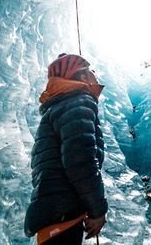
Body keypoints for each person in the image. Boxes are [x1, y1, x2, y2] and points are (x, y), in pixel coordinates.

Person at [24, 53, 108, 244]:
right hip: (64, 217)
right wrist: (98, 210)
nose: (96, 76)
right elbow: (80, 161)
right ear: (83, 76)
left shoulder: (58, 107)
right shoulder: (78, 102)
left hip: (54, 217)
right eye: (92, 72)